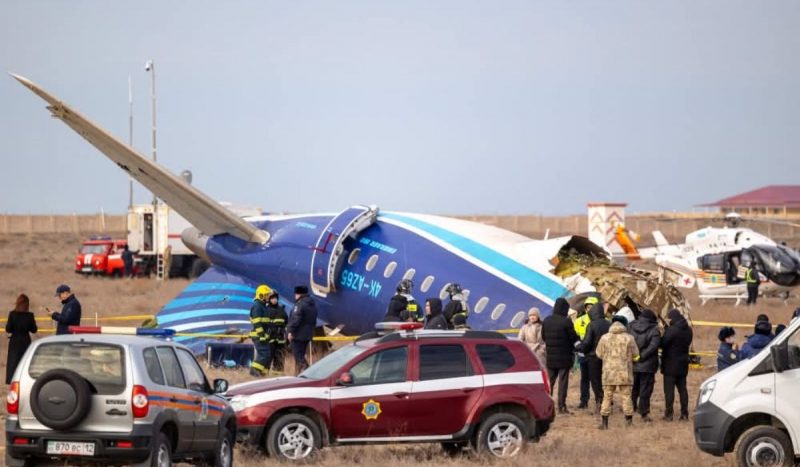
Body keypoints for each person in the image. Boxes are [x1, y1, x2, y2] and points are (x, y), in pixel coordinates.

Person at [595, 315, 639, 429]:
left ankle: (604, 424)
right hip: (625, 373)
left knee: (607, 397)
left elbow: (599, 354)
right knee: (626, 397)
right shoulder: (629, 338)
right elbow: (636, 354)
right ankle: (628, 423)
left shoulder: (604, 338)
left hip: (608, 373)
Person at [542, 297, 579, 414]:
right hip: (564, 358)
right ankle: (561, 406)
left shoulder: (547, 320)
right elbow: (573, 338)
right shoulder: (566, 321)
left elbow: (543, 337)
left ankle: (546, 406)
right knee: (563, 382)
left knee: (549, 382)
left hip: (551, 358)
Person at [660, 308, 693, 421]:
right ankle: (684, 414)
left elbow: (663, 343)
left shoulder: (672, 330)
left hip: (670, 364)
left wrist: (664, 332)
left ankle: (669, 415)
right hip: (683, 363)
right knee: (683, 390)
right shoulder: (689, 330)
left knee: (669, 391)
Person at [578, 301, 610, 414]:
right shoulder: (609, 324)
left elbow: (587, 342)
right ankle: (607, 401)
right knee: (606, 380)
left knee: (595, 381)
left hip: (593, 357)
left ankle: (599, 401)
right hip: (607, 357)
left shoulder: (591, 325)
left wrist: (580, 348)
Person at [629, 309, 661, 422]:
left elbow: (628, 343)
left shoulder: (631, 327)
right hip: (648, 365)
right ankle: (644, 412)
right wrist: (641, 356)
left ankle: (630, 408)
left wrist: (634, 356)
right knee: (645, 389)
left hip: (633, 363)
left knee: (634, 387)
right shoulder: (654, 330)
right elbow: (653, 346)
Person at [6, 294, 37, 384]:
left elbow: (8, 328)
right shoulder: (30, 315)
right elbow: (34, 330)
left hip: (14, 341)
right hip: (25, 341)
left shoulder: (12, 314)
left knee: (13, 362)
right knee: (24, 362)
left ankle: (12, 381)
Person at [287, 285, 317, 375]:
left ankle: (310, 372)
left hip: (298, 335)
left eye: (295, 294)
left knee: (298, 356)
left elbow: (296, 320)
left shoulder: (300, 305)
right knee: (300, 357)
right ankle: (297, 375)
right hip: (307, 335)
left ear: (299, 294)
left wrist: (290, 331)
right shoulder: (312, 305)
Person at [573, 296, 597, 410]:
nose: (589, 309)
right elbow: (575, 335)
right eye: (587, 307)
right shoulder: (579, 320)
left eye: (592, 307)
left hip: (596, 354)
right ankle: (584, 401)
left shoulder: (601, 321)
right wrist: (578, 346)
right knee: (584, 378)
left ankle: (601, 399)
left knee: (598, 378)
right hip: (583, 353)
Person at [249, 285, 272, 376]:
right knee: (264, 354)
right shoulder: (257, 306)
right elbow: (257, 322)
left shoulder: (263, 306)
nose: (268, 297)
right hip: (259, 336)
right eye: (266, 295)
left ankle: (263, 373)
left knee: (267, 354)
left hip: (263, 335)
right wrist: (262, 335)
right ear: (261, 295)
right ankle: (254, 370)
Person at [266, 290, 288, 373]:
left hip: (280, 340)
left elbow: (286, 321)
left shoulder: (281, 310)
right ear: (269, 299)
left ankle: (278, 377)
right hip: (270, 340)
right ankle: (264, 377)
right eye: (272, 298)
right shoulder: (266, 310)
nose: (274, 300)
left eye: (275, 298)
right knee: (267, 360)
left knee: (279, 360)